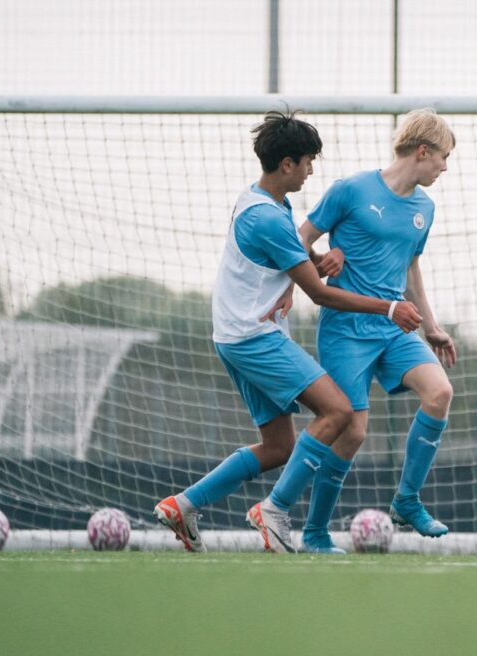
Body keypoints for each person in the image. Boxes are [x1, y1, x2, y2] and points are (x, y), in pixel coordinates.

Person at [153, 110, 422, 553]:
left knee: (279, 446)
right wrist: (389, 306)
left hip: (234, 335)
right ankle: (275, 510)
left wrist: (323, 258)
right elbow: (320, 295)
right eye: (307, 161)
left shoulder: (262, 202)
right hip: (255, 338)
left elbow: (288, 264)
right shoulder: (270, 219)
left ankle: (184, 504)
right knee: (338, 412)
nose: (312, 170)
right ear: (287, 165)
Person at [255, 108, 457, 553]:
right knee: (352, 431)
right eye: (443, 157)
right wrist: (298, 280)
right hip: (346, 328)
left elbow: (410, 267)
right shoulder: (351, 189)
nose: (445, 167)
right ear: (422, 151)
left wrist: (434, 326)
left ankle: (407, 501)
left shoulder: (425, 207)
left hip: (395, 326)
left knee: (440, 392)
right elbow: (300, 238)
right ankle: (314, 532)